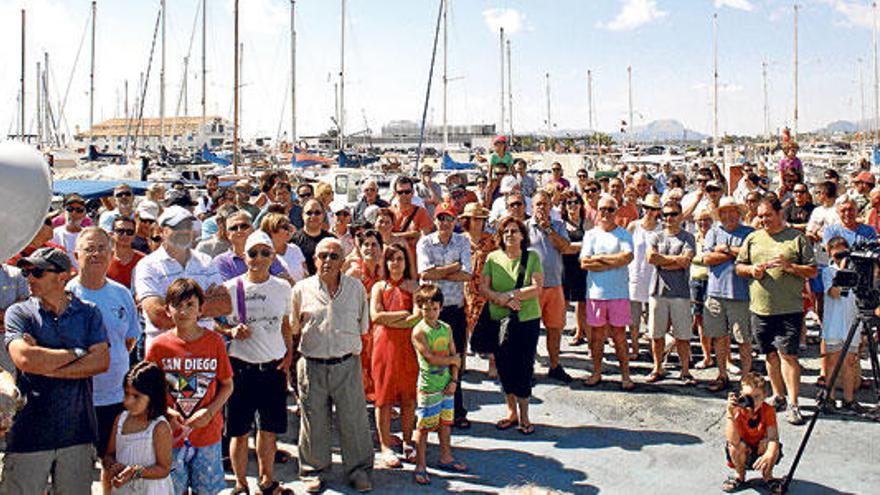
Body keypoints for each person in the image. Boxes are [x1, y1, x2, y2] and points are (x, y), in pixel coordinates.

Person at [3, 247, 110, 494]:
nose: (29, 278)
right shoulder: (18, 312)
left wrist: (46, 363)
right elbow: (25, 359)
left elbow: (101, 362)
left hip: (78, 435)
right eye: (26, 272)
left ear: (63, 276)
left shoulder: (89, 312)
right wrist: (79, 353)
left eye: (37, 272)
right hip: (28, 434)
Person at [290, 238, 374, 493]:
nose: (327, 261)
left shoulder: (356, 288)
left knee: (354, 419)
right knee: (313, 420)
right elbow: (294, 329)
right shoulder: (301, 289)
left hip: (346, 363)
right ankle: (314, 470)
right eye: (322, 256)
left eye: (333, 256)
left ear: (342, 261)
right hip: (312, 364)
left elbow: (363, 326)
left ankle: (359, 470)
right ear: (314, 259)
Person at [66, 227, 142, 493]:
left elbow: (130, 340)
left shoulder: (121, 294)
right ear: (76, 254)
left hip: (114, 397)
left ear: (111, 254)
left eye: (101, 248)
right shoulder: (65, 294)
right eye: (89, 248)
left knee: (113, 463)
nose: (96, 253)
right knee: (73, 469)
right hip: (76, 397)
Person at [218, 231, 294, 494]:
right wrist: (230, 332)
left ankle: (266, 479)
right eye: (253, 253)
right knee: (238, 432)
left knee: (269, 429)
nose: (258, 258)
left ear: (273, 256)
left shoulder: (283, 288)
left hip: (272, 367)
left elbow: (285, 324)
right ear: (244, 256)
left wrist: (288, 357)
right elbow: (214, 322)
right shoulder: (231, 288)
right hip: (241, 366)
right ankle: (240, 484)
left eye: (264, 253)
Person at [145, 278, 233, 495]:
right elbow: (147, 389)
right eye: (177, 305)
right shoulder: (159, 346)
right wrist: (166, 410)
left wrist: (210, 411)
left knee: (209, 490)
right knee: (172, 489)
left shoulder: (215, 342)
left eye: (190, 305)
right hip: (169, 437)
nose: (183, 311)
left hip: (207, 435)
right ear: (167, 309)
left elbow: (227, 385)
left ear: (201, 309)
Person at [736, 196, 816, 425]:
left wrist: (790, 267)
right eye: (760, 216)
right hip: (760, 308)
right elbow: (739, 266)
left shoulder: (796, 239)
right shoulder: (753, 238)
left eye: (768, 216)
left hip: (789, 307)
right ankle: (778, 395)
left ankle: (793, 403)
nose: (763, 220)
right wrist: (752, 270)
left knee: (788, 355)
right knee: (770, 354)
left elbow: (812, 270)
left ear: (780, 214)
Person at [134, 206, 231, 346]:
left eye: (188, 226)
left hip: (204, 351)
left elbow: (225, 305)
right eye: (177, 226)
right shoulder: (147, 265)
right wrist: (205, 303)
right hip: (166, 350)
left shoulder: (206, 260)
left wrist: (177, 310)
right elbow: (158, 317)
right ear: (162, 231)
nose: (184, 231)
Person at [481, 217, 544, 432]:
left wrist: (510, 295)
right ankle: (511, 411)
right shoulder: (492, 258)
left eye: (514, 231)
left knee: (523, 366)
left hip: (526, 320)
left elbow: (536, 287)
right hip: (499, 319)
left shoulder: (532, 257)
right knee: (504, 365)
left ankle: (525, 415)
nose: (509, 234)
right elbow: (484, 287)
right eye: (505, 231)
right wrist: (501, 299)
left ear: (522, 235)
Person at [416, 204, 473, 428]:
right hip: (431, 312)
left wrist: (440, 272)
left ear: (455, 220)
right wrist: (454, 267)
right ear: (435, 219)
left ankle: (456, 411)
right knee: (429, 362)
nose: (445, 223)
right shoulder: (425, 242)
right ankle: (429, 411)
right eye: (441, 218)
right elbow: (425, 274)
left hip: (454, 309)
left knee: (454, 360)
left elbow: (467, 275)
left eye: (449, 218)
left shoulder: (462, 241)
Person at [411, 284, 467, 485]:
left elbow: (455, 355)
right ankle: (420, 464)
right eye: (426, 309)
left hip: (446, 385)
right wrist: (453, 361)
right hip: (429, 386)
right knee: (424, 426)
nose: (431, 313)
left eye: (435, 308)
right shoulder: (419, 331)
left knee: (445, 423)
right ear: (420, 308)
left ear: (441, 308)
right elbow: (430, 357)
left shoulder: (447, 328)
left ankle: (446, 457)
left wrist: (454, 380)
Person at [370, 244, 420, 468]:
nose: (396, 263)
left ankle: (408, 441)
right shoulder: (379, 287)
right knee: (384, 397)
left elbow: (417, 317)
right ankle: (385, 445)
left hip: (408, 346)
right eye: (391, 259)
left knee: (409, 397)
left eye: (400, 259)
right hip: (383, 346)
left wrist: (391, 317)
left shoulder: (413, 287)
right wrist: (402, 316)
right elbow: (375, 316)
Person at [580, 196, 635, 389]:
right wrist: (613, 260)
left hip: (618, 293)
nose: (606, 213)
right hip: (595, 294)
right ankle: (596, 372)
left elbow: (627, 258)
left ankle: (626, 375)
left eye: (610, 210)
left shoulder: (624, 234)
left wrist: (600, 259)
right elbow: (585, 263)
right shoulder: (591, 235)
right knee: (596, 337)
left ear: (616, 212)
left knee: (619, 336)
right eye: (602, 209)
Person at [702, 198, 755, 388]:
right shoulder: (713, 232)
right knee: (719, 337)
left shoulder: (749, 233)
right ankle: (722, 374)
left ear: (738, 213)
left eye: (731, 212)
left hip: (740, 294)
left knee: (743, 339)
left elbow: (751, 256)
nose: (727, 216)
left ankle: (746, 378)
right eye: (723, 212)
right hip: (715, 293)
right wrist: (735, 253)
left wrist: (726, 249)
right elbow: (707, 258)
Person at [102, 361, 174, 494]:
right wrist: (112, 465)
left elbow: (164, 468)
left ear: (153, 397)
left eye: (136, 397)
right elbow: (109, 454)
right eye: (126, 394)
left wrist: (135, 472)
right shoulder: (121, 420)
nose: (128, 401)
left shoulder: (159, 427)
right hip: (124, 489)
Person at [646, 201, 696, 385]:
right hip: (658, 291)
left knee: (683, 335)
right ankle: (657, 367)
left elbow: (686, 262)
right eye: (665, 214)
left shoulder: (688, 237)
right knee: (656, 334)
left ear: (680, 215)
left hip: (680, 292)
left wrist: (663, 261)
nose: (669, 218)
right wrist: (675, 260)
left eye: (673, 214)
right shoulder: (656, 236)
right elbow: (651, 258)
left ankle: (685, 370)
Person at [819, 236, 869, 415]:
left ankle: (849, 400)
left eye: (844, 254)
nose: (842, 259)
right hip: (833, 324)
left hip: (851, 323)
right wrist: (842, 269)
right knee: (832, 361)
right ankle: (830, 398)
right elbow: (833, 293)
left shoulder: (859, 272)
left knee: (850, 363)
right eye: (837, 255)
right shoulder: (828, 272)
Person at [528, 191, 574, 382]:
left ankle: (555, 366)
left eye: (545, 204)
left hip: (555, 285)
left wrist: (549, 230)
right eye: (538, 204)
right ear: (532, 207)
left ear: (550, 207)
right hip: (532, 288)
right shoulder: (524, 228)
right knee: (529, 330)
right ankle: (527, 368)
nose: (541, 208)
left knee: (555, 329)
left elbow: (565, 248)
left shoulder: (559, 225)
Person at [722, 373, 782, 493]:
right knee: (734, 446)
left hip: (760, 449)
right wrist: (730, 415)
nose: (753, 402)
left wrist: (769, 453)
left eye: (757, 397)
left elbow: (773, 437)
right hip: (743, 451)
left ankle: (768, 475)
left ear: (764, 395)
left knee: (770, 444)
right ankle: (740, 475)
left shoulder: (768, 410)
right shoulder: (738, 411)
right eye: (749, 397)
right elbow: (732, 440)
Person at [460, 203, 498, 376]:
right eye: (474, 219)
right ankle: (462, 363)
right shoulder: (460, 239)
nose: (478, 222)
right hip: (465, 287)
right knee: (464, 324)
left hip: (486, 286)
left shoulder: (492, 240)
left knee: (489, 324)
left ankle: (493, 363)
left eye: (481, 219)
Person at [627, 194, 662, 359]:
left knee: (652, 317)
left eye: (653, 209)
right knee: (633, 318)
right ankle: (634, 348)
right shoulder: (634, 226)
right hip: (635, 274)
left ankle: (652, 349)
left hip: (654, 276)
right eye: (647, 208)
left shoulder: (661, 229)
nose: (650, 211)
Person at [211, 211, 288, 282]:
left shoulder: (266, 253)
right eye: (233, 228)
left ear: (253, 229)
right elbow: (228, 290)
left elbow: (285, 281)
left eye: (244, 226)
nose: (239, 230)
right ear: (228, 235)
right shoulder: (221, 262)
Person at [561, 191, 591, 346]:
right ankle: (557, 334)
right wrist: (579, 246)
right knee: (563, 303)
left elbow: (591, 245)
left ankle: (580, 333)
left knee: (581, 302)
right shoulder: (560, 224)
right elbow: (561, 248)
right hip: (564, 267)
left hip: (582, 267)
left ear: (581, 205)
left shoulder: (587, 223)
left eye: (575, 202)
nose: (572, 205)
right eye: (569, 203)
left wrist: (571, 247)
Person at [691, 208, 713, 371]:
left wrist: (700, 259)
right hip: (696, 281)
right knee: (700, 320)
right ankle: (707, 356)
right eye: (700, 220)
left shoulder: (716, 237)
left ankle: (726, 359)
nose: (703, 223)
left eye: (706, 220)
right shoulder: (692, 239)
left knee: (718, 319)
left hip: (713, 281)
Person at [291, 199, 335, 276]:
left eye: (317, 212)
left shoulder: (332, 240)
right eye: (309, 213)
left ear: (323, 215)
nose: (313, 216)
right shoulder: (293, 241)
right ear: (302, 215)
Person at [261, 212, 308, 283]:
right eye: (285, 227)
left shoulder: (295, 248)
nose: (289, 230)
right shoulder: (264, 255)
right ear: (271, 231)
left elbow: (306, 274)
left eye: (289, 227)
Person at [0, 264, 28, 372]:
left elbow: (26, 301)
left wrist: (7, 316)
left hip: (9, 336)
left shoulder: (16, 274)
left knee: (9, 377)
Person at [108, 217, 146, 288]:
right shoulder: (103, 258)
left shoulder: (143, 260)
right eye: (120, 231)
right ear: (112, 234)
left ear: (134, 235)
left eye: (129, 232)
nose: (125, 235)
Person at [53, 193, 89, 270]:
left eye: (79, 210)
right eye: (70, 209)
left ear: (84, 214)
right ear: (64, 211)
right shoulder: (54, 234)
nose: (74, 213)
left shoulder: (89, 235)